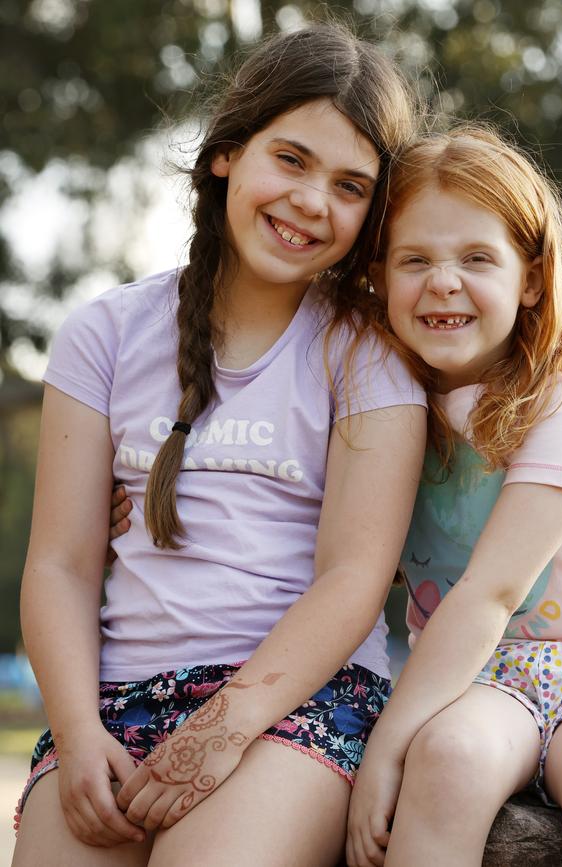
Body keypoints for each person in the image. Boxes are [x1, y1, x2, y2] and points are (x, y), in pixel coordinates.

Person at [12, 24, 430, 867]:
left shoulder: (365, 357)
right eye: (292, 160)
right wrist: (76, 728)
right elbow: (59, 561)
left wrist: (229, 723)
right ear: (227, 154)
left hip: (295, 706)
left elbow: (354, 573)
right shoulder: (106, 332)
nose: (313, 201)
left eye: (351, 186)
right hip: (115, 703)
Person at [346, 127, 562, 867]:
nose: (443, 281)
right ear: (380, 276)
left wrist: (384, 748)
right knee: (448, 760)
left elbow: (489, 592)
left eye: (477, 258)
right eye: (414, 259)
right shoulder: (381, 406)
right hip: (475, 679)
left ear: (532, 278)